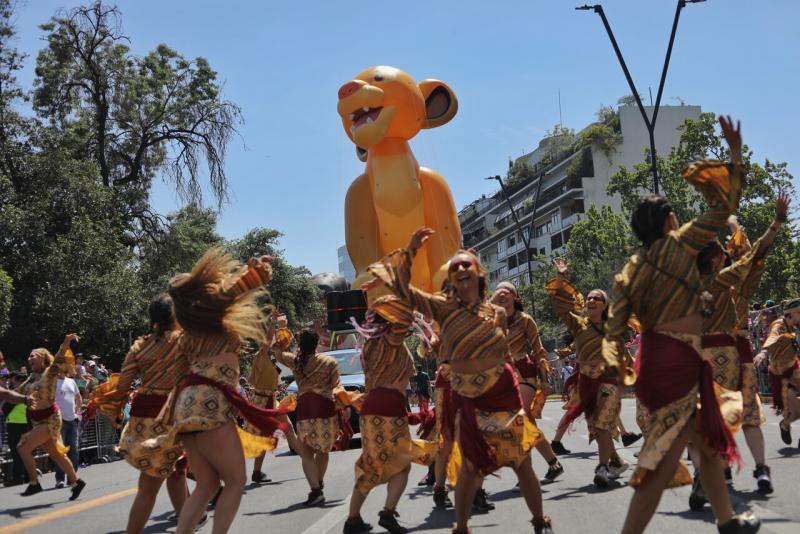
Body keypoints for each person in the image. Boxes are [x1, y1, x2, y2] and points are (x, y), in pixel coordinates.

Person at [603, 116, 759, 534]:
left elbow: (615, 326)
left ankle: (726, 520)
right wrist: (734, 153)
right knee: (660, 465)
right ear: (669, 220)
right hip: (676, 362)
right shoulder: (679, 245)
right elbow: (724, 207)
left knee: (708, 445)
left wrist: (618, 371)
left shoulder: (630, 269)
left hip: (664, 359)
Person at [365, 228, 552, 534]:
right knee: (469, 465)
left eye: (467, 264)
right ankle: (461, 527)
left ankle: (539, 521)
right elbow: (404, 290)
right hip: (468, 396)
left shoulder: (497, 314)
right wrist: (410, 250)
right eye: (455, 267)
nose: (461, 268)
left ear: (479, 274)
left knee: (522, 462)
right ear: (451, 280)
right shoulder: (442, 308)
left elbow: (503, 352)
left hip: (503, 393)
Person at [154, 249, 288, 534]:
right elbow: (232, 292)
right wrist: (255, 272)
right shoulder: (208, 317)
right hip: (209, 402)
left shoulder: (188, 330)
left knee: (207, 485)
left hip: (186, 405)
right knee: (236, 481)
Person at [95, 293, 192, 533]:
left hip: (142, 419)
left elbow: (122, 386)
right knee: (150, 486)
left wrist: (115, 413)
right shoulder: (186, 342)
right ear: (174, 315)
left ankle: (187, 521)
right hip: (170, 418)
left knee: (176, 473)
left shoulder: (140, 345)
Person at [343, 295, 434, 534]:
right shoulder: (389, 340)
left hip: (380, 409)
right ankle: (386, 513)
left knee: (375, 466)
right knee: (400, 466)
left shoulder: (372, 343)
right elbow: (404, 323)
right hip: (386, 410)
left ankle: (354, 520)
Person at [547, 258, 629, 488]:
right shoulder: (578, 324)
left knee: (602, 425)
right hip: (586, 383)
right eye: (590, 297)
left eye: (597, 298)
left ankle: (602, 468)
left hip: (609, 382)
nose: (591, 300)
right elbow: (559, 304)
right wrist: (561, 276)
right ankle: (616, 461)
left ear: (605, 305)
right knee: (597, 426)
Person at [491, 281, 564, 484]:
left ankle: (525, 473)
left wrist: (545, 379)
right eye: (499, 292)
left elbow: (539, 351)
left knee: (519, 419)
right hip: (502, 376)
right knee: (526, 424)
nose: (502, 294)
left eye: (507, 292)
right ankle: (553, 463)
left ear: (516, 298)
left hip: (524, 372)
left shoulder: (525, 320)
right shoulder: (490, 321)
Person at [275, 329, 349, 507]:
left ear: (300, 345)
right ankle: (319, 483)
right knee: (323, 450)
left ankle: (316, 489)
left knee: (306, 453)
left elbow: (276, 352)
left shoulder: (295, 361)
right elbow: (338, 387)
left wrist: (280, 329)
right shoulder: (329, 362)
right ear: (317, 344)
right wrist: (345, 406)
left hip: (306, 409)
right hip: (326, 409)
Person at [16, 333, 86, 499]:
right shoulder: (32, 377)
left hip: (50, 420)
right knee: (56, 454)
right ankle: (77, 482)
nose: (29, 358)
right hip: (37, 421)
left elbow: (60, 355)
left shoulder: (51, 371)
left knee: (22, 447)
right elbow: (17, 393)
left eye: (33, 355)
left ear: (42, 358)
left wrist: (67, 341)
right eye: (29, 356)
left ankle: (34, 483)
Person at [247, 311, 295, 485]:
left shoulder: (272, 356)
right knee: (262, 437)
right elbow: (269, 341)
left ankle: (304, 456)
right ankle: (255, 472)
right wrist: (273, 323)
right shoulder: (260, 354)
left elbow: (284, 342)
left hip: (270, 399)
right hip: (261, 401)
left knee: (287, 428)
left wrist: (282, 326)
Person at [764, 298, 800, 447]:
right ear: (789, 315)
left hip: (795, 369)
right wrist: (763, 353)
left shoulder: (796, 326)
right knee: (796, 411)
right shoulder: (778, 325)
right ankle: (785, 424)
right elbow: (771, 339)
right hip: (781, 375)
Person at [53, 369, 82, 489]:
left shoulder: (71, 381)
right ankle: (60, 479)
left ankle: (72, 478)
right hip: (59, 421)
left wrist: (78, 412)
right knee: (60, 451)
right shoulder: (52, 382)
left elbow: (78, 397)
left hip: (72, 420)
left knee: (74, 450)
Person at [3, 373, 30, 486]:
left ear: (18, 381)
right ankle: (28, 476)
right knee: (26, 451)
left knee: (16, 452)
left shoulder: (16, 394)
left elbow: (4, 408)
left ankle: (17, 478)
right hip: (27, 425)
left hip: (15, 425)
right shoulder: (31, 392)